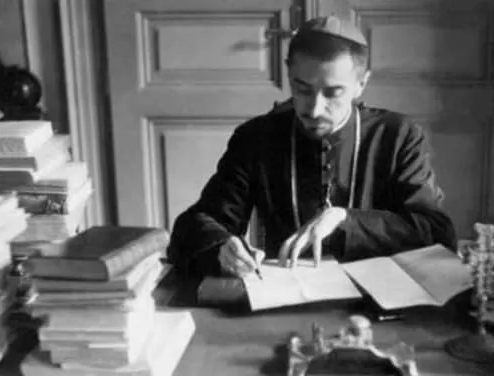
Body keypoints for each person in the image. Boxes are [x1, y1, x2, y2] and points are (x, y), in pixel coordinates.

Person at [167, 15, 457, 281]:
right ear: (288, 74)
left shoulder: (398, 135)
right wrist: (221, 246)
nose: (315, 109)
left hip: (379, 298)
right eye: (302, 89)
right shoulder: (256, 137)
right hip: (285, 296)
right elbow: (197, 223)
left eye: (333, 92)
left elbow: (435, 231)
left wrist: (344, 220)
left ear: (361, 84)